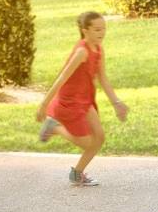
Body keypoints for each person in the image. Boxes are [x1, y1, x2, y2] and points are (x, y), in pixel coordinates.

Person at [36, 11, 128, 187]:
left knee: (99, 138)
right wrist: (44, 104)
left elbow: (103, 78)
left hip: (85, 98)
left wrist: (117, 103)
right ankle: (54, 128)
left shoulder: (99, 49)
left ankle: (77, 174)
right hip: (70, 101)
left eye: (104, 29)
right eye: (97, 29)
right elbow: (61, 78)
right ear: (85, 31)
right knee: (87, 143)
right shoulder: (81, 52)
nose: (102, 33)